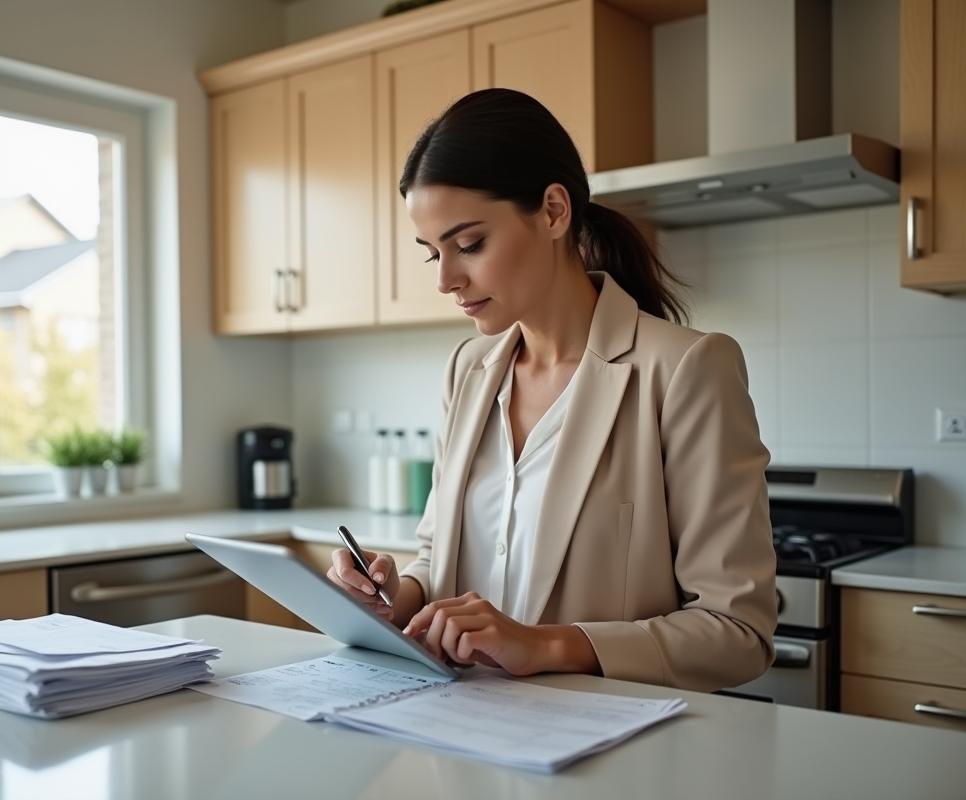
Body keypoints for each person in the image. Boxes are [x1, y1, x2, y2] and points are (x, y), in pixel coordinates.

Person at [327, 88, 776, 693]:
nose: (445, 279)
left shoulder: (687, 368)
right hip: (467, 735)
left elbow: (738, 632)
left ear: (554, 211)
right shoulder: (468, 369)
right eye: (432, 252)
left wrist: (545, 644)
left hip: (610, 756)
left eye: (469, 244)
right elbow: (437, 564)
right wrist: (391, 596)